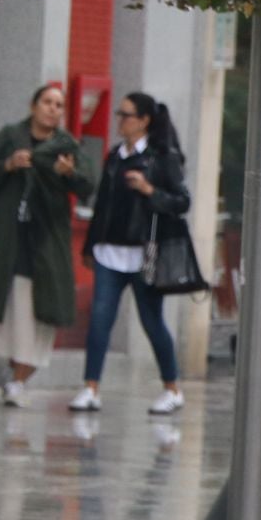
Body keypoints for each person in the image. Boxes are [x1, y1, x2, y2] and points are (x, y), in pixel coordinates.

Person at [0, 85, 95, 406]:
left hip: (45, 243)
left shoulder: (66, 146)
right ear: (33, 105)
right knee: (11, 314)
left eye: (59, 105)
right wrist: (8, 165)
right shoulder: (11, 135)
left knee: (38, 316)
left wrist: (69, 173)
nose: (53, 109)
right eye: (47, 102)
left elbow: (88, 185)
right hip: (8, 238)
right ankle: (15, 377)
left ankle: (18, 380)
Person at [69, 92, 192, 416]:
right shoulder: (114, 156)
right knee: (99, 320)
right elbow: (102, 206)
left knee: (152, 321)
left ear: (144, 120)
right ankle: (90, 387)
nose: (120, 120)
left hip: (144, 254)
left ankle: (172, 388)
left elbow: (182, 202)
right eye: (119, 115)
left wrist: (149, 190)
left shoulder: (162, 157)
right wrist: (90, 246)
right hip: (110, 251)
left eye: (126, 115)